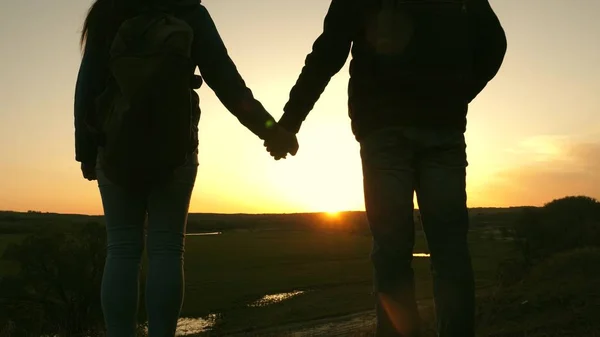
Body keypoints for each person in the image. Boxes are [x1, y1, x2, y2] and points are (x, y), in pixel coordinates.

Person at [266, 0, 507, 336]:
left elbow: (328, 53)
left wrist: (289, 122)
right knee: (450, 252)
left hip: (385, 130)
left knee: (392, 253)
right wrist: (457, 94)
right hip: (440, 128)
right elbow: (494, 43)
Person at [74, 0, 298, 336]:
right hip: (176, 150)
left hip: (115, 147)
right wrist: (272, 131)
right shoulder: (189, 12)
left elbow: (87, 85)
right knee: (167, 248)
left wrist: (86, 151)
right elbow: (229, 84)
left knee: (121, 248)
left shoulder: (109, 10)